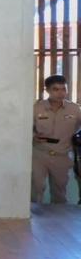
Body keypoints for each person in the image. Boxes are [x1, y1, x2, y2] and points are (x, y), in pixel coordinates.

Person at [32, 74, 81, 204]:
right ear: (47, 90)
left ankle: (59, 215)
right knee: (36, 188)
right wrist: (33, 136)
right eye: (56, 89)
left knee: (59, 191)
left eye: (63, 89)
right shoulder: (36, 108)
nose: (60, 93)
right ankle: (34, 215)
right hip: (39, 154)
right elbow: (24, 129)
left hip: (62, 155)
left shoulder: (74, 109)